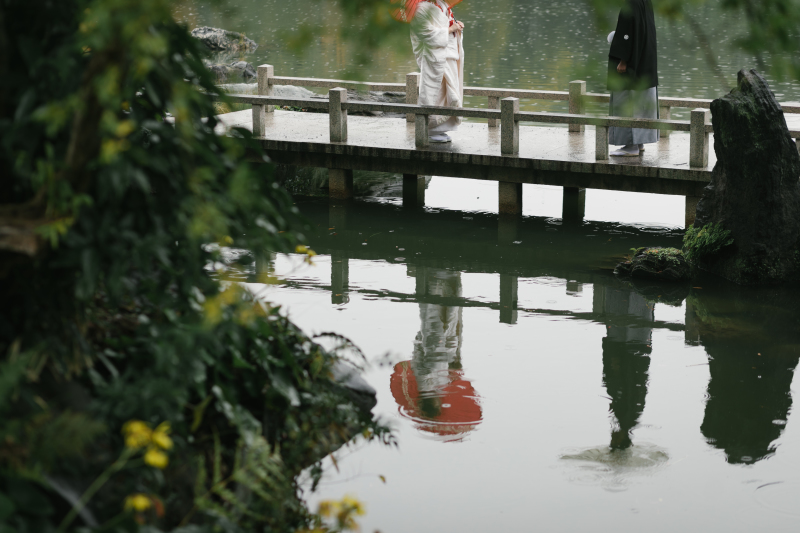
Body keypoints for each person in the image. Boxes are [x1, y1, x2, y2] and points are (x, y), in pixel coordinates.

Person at [407, 0, 465, 143]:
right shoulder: (420, 8)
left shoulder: (442, 5)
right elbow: (424, 33)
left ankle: (440, 128)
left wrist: (456, 26)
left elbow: (447, 24)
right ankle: (429, 129)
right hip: (434, 56)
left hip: (449, 54)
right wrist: (449, 30)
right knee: (435, 92)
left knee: (448, 92)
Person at [607, 0, 658, 157]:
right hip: (645, 62)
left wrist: (623, 60)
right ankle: (639, 142)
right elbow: (641, 31)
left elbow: (627, 32)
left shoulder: (631, 3)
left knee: (627, 99)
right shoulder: (645, 2)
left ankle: (631, 145)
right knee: (641, 101)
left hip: (631, 65)